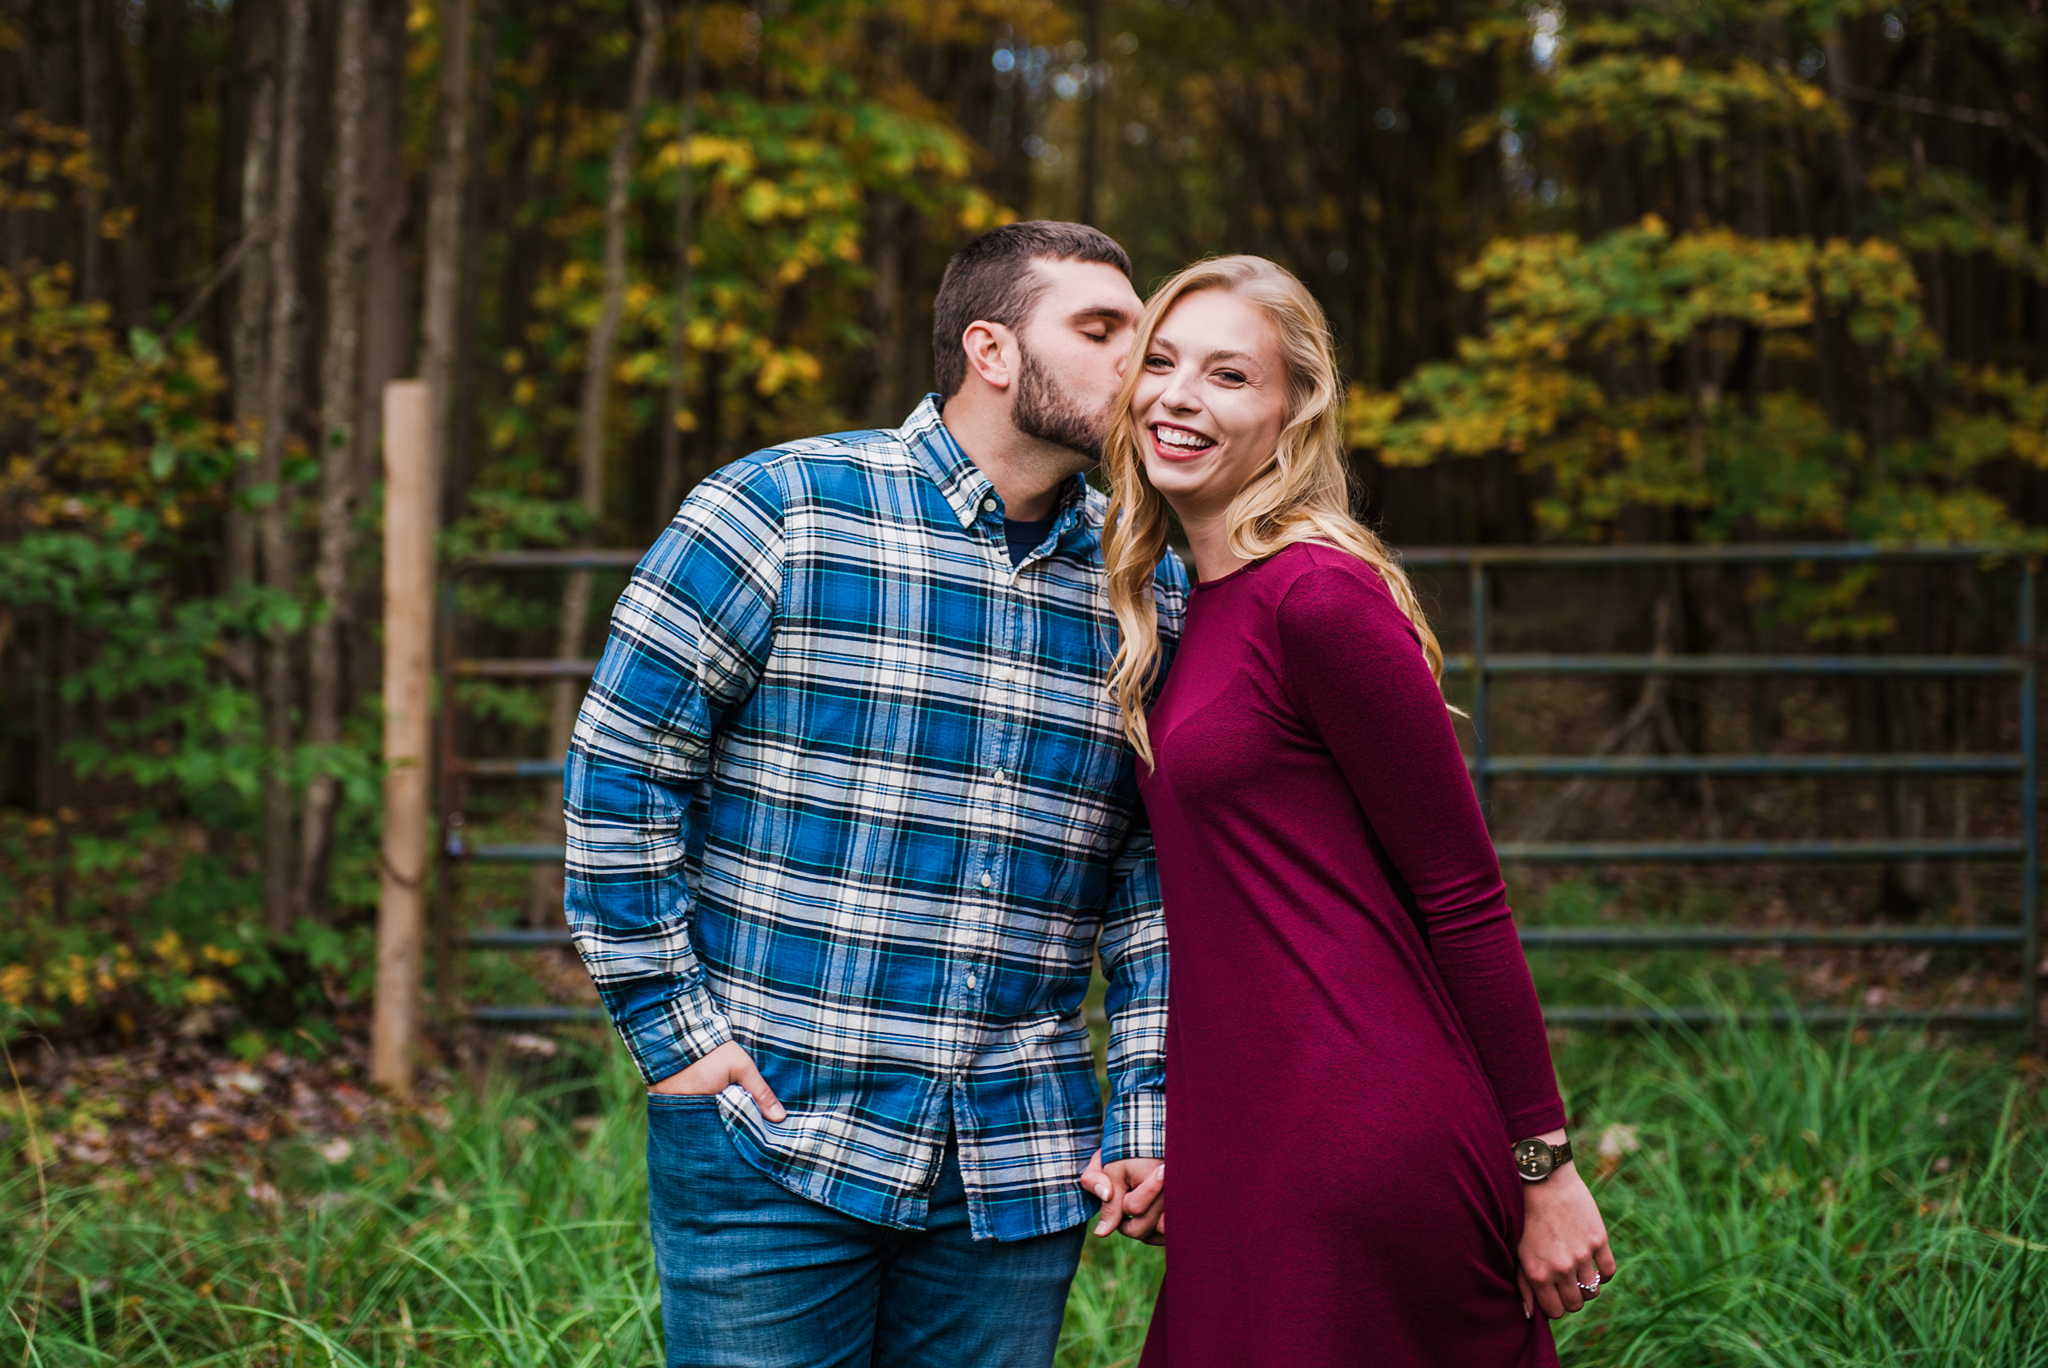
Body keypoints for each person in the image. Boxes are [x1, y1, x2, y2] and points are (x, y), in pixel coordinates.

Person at [562, 220, 1186, 1368]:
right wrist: (676, 1038)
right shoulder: (779, 511)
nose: (1136, 364)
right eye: (1100, 331)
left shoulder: (1144, 583)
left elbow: (1153, 877)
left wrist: (1145, 1104)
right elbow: (620, 778)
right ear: (991, 351)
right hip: (773, 1138)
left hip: (1013, 1168)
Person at [1096, 255, 1615, 1367]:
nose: (1178, 396)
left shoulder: (1316, 598)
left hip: (1359, 1135)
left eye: (1228, 375)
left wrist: (1546, 1167)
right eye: (1162, 362)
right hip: (1251, 1137)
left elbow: (1463, 895)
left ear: (1292, 415)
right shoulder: (1187, 613)